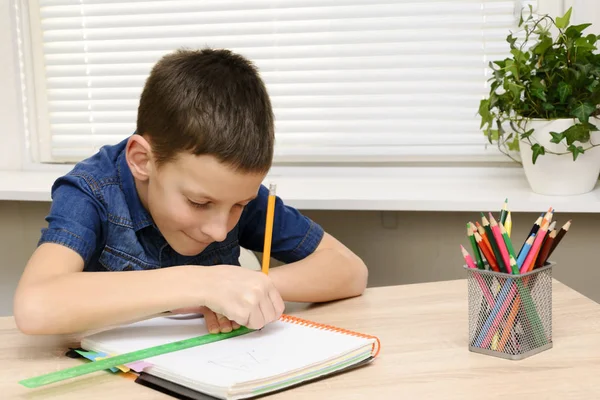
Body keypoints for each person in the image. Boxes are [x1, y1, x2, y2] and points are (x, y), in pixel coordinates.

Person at [13, 48, 368, 336]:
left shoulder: (229, 189)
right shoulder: (92, 190)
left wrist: (246, 284)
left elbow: (350, 271)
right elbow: (35, 306)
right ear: (142, 161)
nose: (219, 229)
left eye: (239, 206)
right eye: (199, 203)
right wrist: (201, 283)